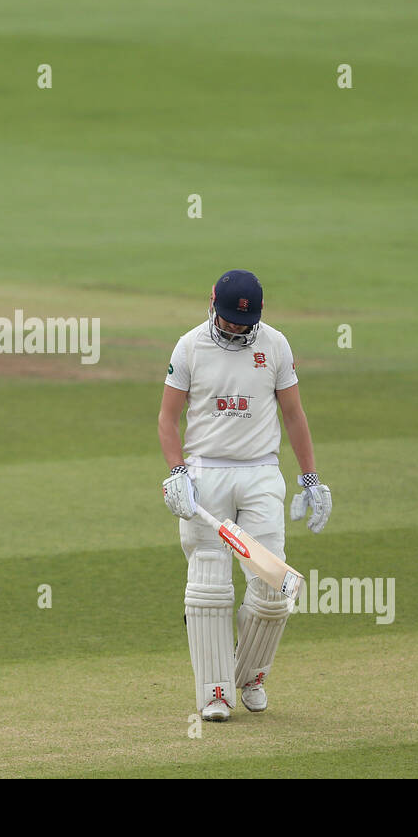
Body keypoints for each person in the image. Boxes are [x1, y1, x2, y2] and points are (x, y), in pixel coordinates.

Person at [157, 270, 333, 720]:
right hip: (206, 474)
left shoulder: (274, 345)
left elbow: (293, 414)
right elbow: (168, 418)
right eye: (229, 321)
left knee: (273, 586)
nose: (237, 329)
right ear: (213, 304)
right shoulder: (189, 346)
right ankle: (216, 692)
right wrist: (178, 472)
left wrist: (311, 478)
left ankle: (250, 674)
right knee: (209, 588)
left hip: (260, 473)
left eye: (244, 323)